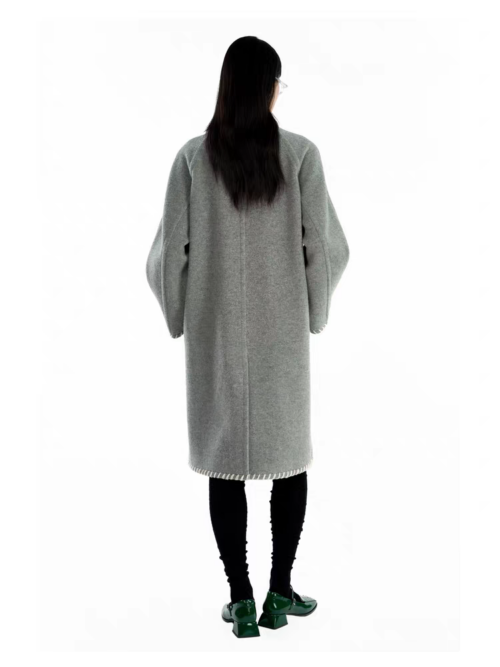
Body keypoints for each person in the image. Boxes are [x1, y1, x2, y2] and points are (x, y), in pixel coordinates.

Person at [146, 36, 350, 639]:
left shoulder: (192, 159)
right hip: (281, 333)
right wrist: (314, 312)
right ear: (269, 88)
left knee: (224, 461)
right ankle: (279, 590)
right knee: (290, 460)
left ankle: (239, 597)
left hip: (215, 334)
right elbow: (327, 248)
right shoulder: (301, 155)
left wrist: (179, 315)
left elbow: (168, 256)